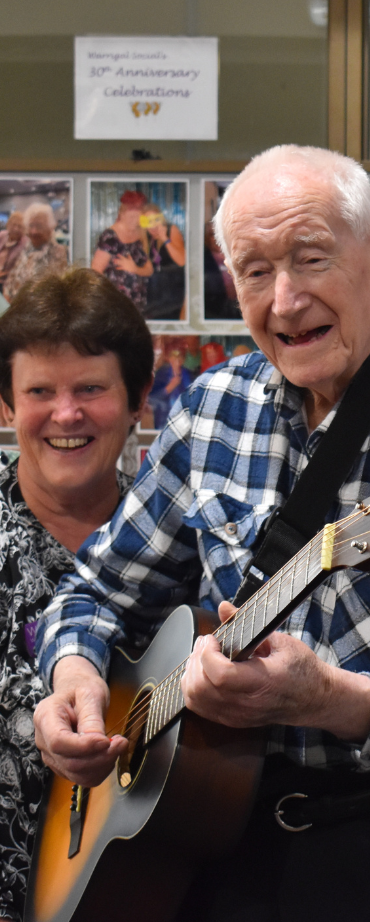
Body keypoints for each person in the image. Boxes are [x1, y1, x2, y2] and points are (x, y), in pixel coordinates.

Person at [33, 145, 370, 922]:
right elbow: (98, 593)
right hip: (216, 850)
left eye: (310, 259)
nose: (284, 301)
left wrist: (337, 701)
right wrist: (73, 673)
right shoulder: (212, 408)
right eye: (253, 271)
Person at [0, 269, 152, 922]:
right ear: (6, 406)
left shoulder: (188, 548)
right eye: (40, 392)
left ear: (138, 398)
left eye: (90, 388)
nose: (66, 414)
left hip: (152, 895)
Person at [90, 190, 153, 312]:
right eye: (131, 216)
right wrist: (108, 299)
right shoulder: (110, 237)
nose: (134, 221)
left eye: (138, 216)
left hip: (138, 303)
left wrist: (134, 269)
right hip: (116, 305)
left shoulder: (141, 234)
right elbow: (96, 271)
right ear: (122, 214)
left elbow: (149, 270)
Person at [4, 204, 67, 302]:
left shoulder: (58, 252)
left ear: (50, 228)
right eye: (31, 225)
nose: (34, 231)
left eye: (39, 226)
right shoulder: (27, 249)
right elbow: (11, 280)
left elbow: (50, 295)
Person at [141, 202, 186, 319]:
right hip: (154, 294)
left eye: (156, 220)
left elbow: (182, 261)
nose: (153, 226)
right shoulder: (146, 238)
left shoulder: (171, 230)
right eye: (148, 222)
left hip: (173, 292)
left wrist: (164, 239)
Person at [0, 213, 27, 297]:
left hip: (9, 283)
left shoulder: (25, 244)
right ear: (8, 224)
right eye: (13, 225)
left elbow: (21, 268)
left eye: (19, 226)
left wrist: (2, 274)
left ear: (24, 229)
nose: (16, 228)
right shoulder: (2, 235)